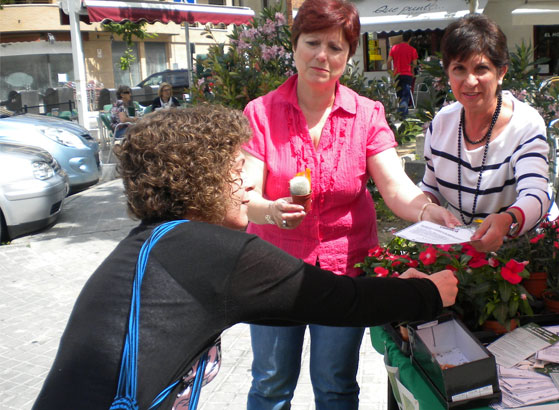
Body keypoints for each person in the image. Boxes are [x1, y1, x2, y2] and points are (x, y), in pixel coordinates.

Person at [32, 105, 458, 409]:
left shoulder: (157, 242)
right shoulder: (211, 252)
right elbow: (340, 301)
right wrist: (428, 292)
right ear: (199, 180)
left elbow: (301, 304)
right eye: (235, 171)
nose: (247, 186)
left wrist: (395, 289)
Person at [240, 0, 459, 408]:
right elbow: (246, 194)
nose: (322, 55)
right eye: (312, 42)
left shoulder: (366, 114)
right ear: (294, 45)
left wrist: (430, 211)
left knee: (336, 381)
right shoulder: (261, 114)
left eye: (336, 47)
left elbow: (395, 188)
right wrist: (271, 210)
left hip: (344, 271)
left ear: (349, 57)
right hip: (274, 266)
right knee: (271, 383)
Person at [420, 14, 551, 253]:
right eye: (459, 69)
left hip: (519, 253)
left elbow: (537, 194)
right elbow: (430, 187)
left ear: (501, 72)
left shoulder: (525, 124)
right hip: (458, 251)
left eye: (481, 69)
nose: (470, 81)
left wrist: (507, 221)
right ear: (448, 73)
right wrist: (426, 209)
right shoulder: (441, 123)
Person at [387, 31, 418, 116]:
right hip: (407, 75)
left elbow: (389, 61)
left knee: (399, 95)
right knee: (406, 94)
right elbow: (414, 64)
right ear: (410, 39)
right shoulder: (413, 50)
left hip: (397, 74)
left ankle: (402, 112)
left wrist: (390, 71)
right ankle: (403, 113)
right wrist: (412, 72)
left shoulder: (394, 48)